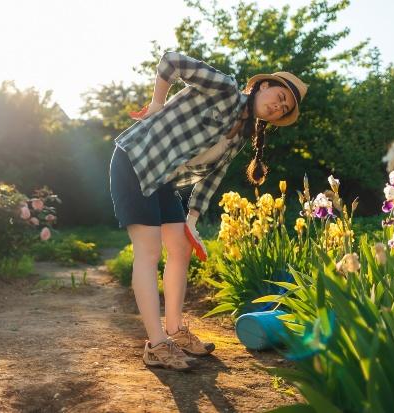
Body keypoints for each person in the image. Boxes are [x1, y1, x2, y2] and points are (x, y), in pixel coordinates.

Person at [109, 51, 307, 371]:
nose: (278, 106)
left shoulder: (242, 134)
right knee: (148, 251)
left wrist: (193, 220)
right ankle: (157, 344)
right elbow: (171, 61)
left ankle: (175, 330)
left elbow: (213, 176)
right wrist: (158, 103)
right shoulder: (225, 88)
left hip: (163, 179)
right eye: (280, 97)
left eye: (283, 109)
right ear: (265, 85)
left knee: (182, 247)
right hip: (136, 160)